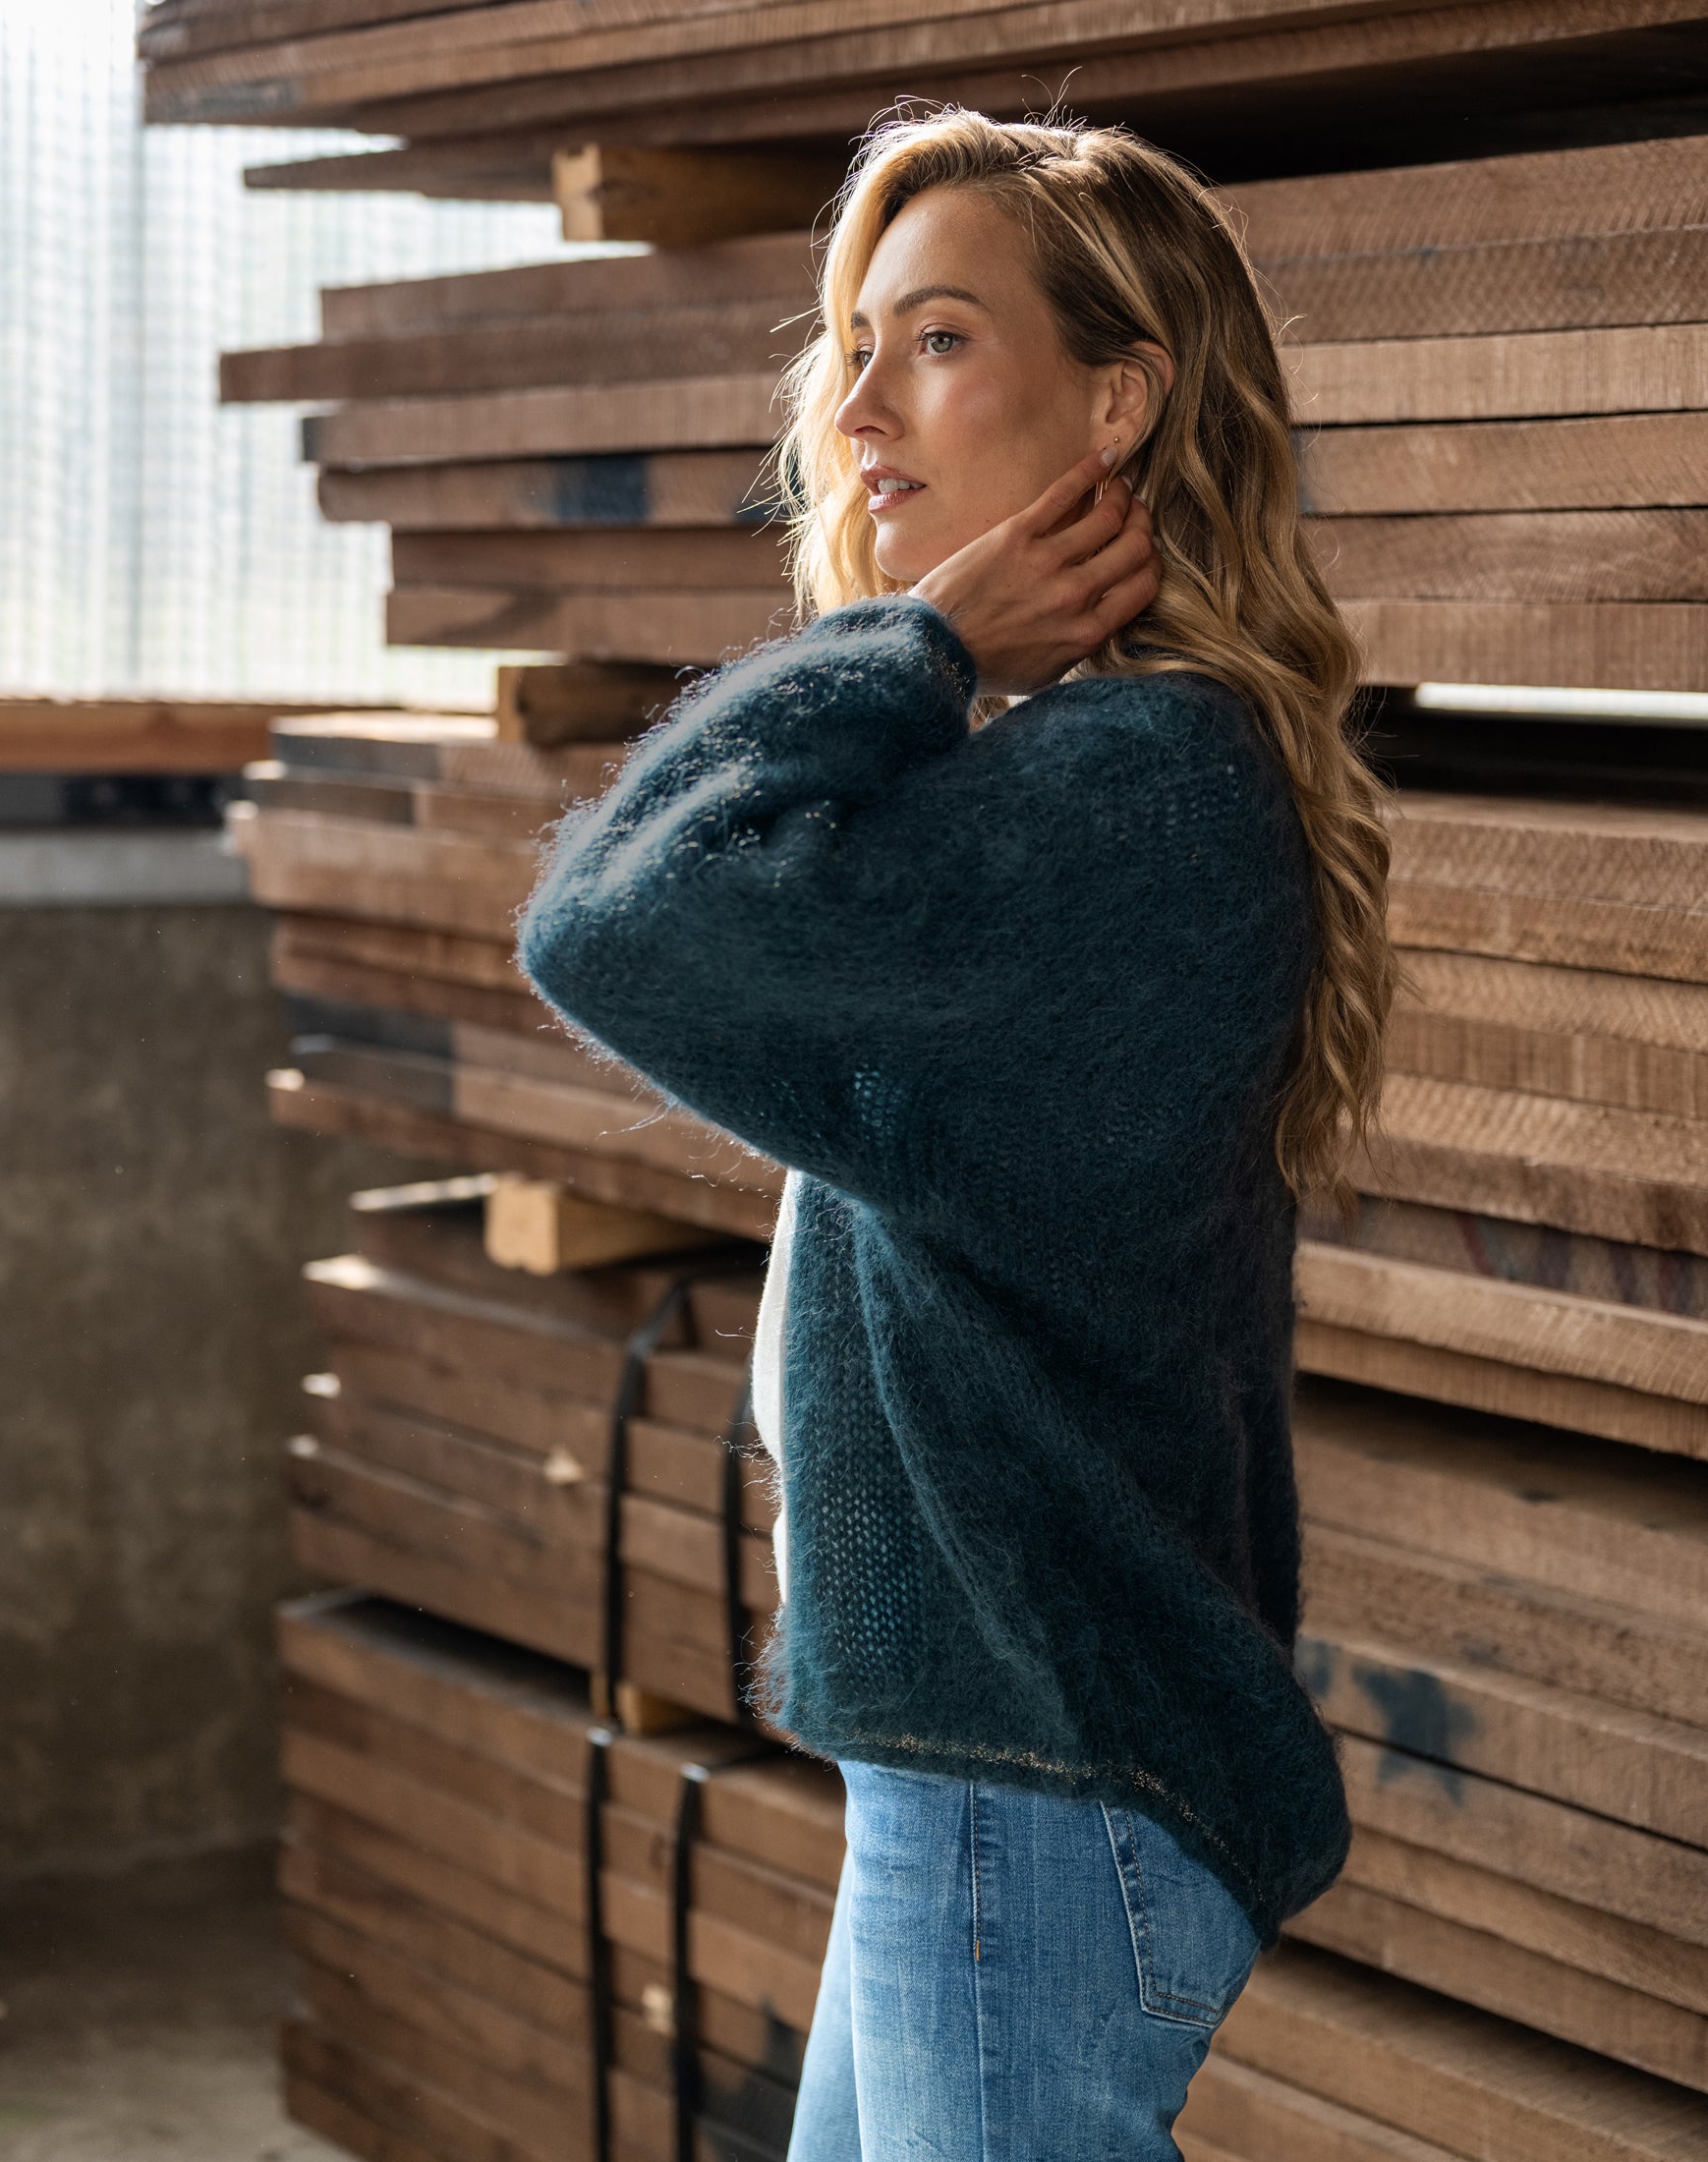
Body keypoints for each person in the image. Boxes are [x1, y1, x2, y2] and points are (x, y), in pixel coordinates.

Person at [516, 107, 1395, 2162]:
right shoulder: (1078, 775)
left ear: (1119, 397)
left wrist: (904, 646)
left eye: (931, 337)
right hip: (1002, 1777)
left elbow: (611, 918)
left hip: (1035, 1788)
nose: (856, 400)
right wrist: (931, 664)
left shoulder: (1131, 790)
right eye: (849, 345)